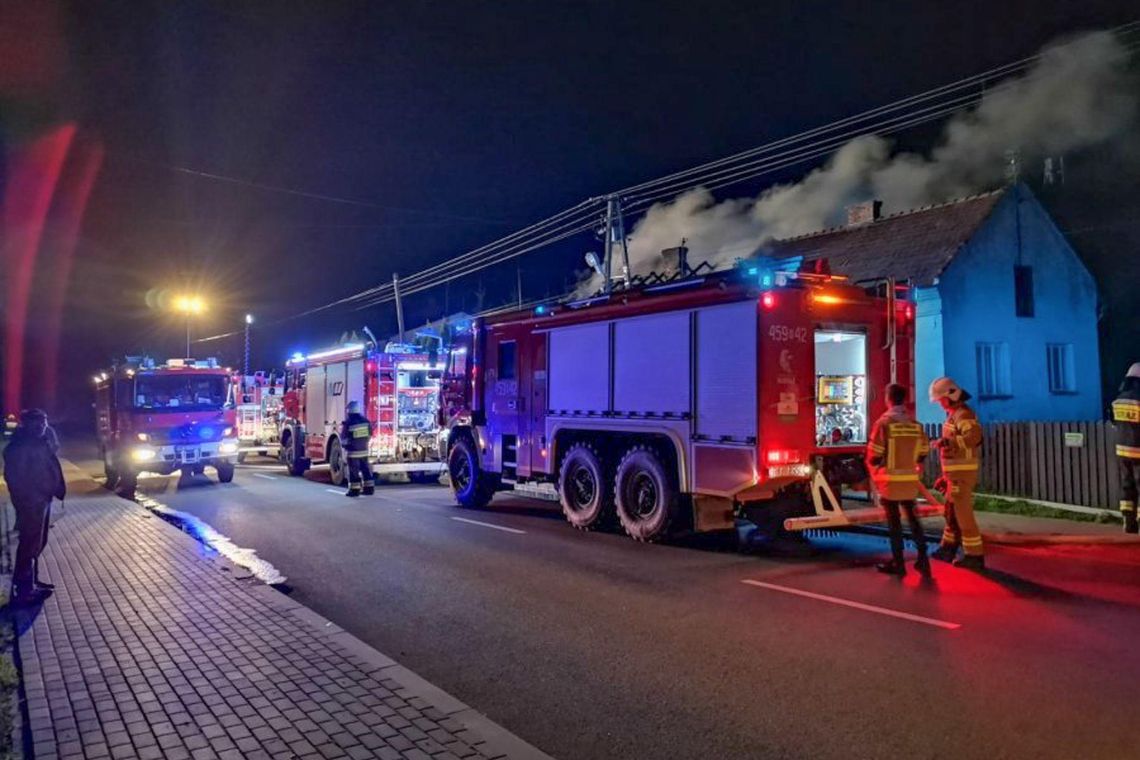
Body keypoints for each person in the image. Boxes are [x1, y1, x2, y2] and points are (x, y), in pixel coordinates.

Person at [867, 384, 931, 577]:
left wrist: (874, 466)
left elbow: (874, 455)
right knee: (914, 521)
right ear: (903, 399)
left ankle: (899, 563)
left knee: (894, 525)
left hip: (890, 483)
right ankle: (923, 559)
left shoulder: (884, 424)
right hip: (909, 482)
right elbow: (923, 453)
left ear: (888, 398)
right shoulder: (915, 425)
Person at [2, 409, 65, 605]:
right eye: (38, 423)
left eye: (44, 423)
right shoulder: (21, 446)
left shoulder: (39, 442)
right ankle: (24, 590)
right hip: (31, 503)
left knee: (37, 543)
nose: (42, 427)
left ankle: (32, 582)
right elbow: (16, 477)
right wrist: (29, 499)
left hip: (42, 500)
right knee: (29, 545)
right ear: (27, 424)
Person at [928, 377, 985, 570]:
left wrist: (949, 443)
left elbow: (974, 437)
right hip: (955, 475)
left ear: (950, 396)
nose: (940, 404)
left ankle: (974, 556)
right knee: (951, 514)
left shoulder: (964, 415)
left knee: (963, 516)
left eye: (941, 400)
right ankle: (948, 548)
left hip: (962, 474)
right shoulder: (954, 415)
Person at [1111, 362, 1140, 534]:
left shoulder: (1118, 400)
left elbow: (1115, 424)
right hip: (1139, 450)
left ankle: (1128, 522)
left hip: (1122, 451)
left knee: (1127, 485)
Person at [341, 401, 375, 497]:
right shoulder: (365, 421)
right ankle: (369, 489)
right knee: (366, 470)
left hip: (353, 453)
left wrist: (347, 446)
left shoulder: (348, 423)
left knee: (354, 471)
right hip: (364, 451)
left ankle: (354, 490)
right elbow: (370, 434)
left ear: (349, 411)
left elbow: (343, 439)